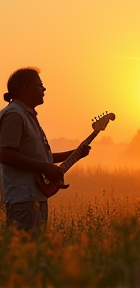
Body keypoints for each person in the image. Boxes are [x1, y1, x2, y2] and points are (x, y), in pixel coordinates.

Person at [0, 67, 91, 234]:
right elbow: (6, 155)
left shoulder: (27, 115)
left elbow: (42, 159)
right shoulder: (14, 115)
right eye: (39, 85)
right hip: (22, 198)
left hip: (34, 196)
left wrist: (76, 154)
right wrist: (44, 168)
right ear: (25, 89)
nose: (44, 89)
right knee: (24, 254)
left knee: (35, 253)